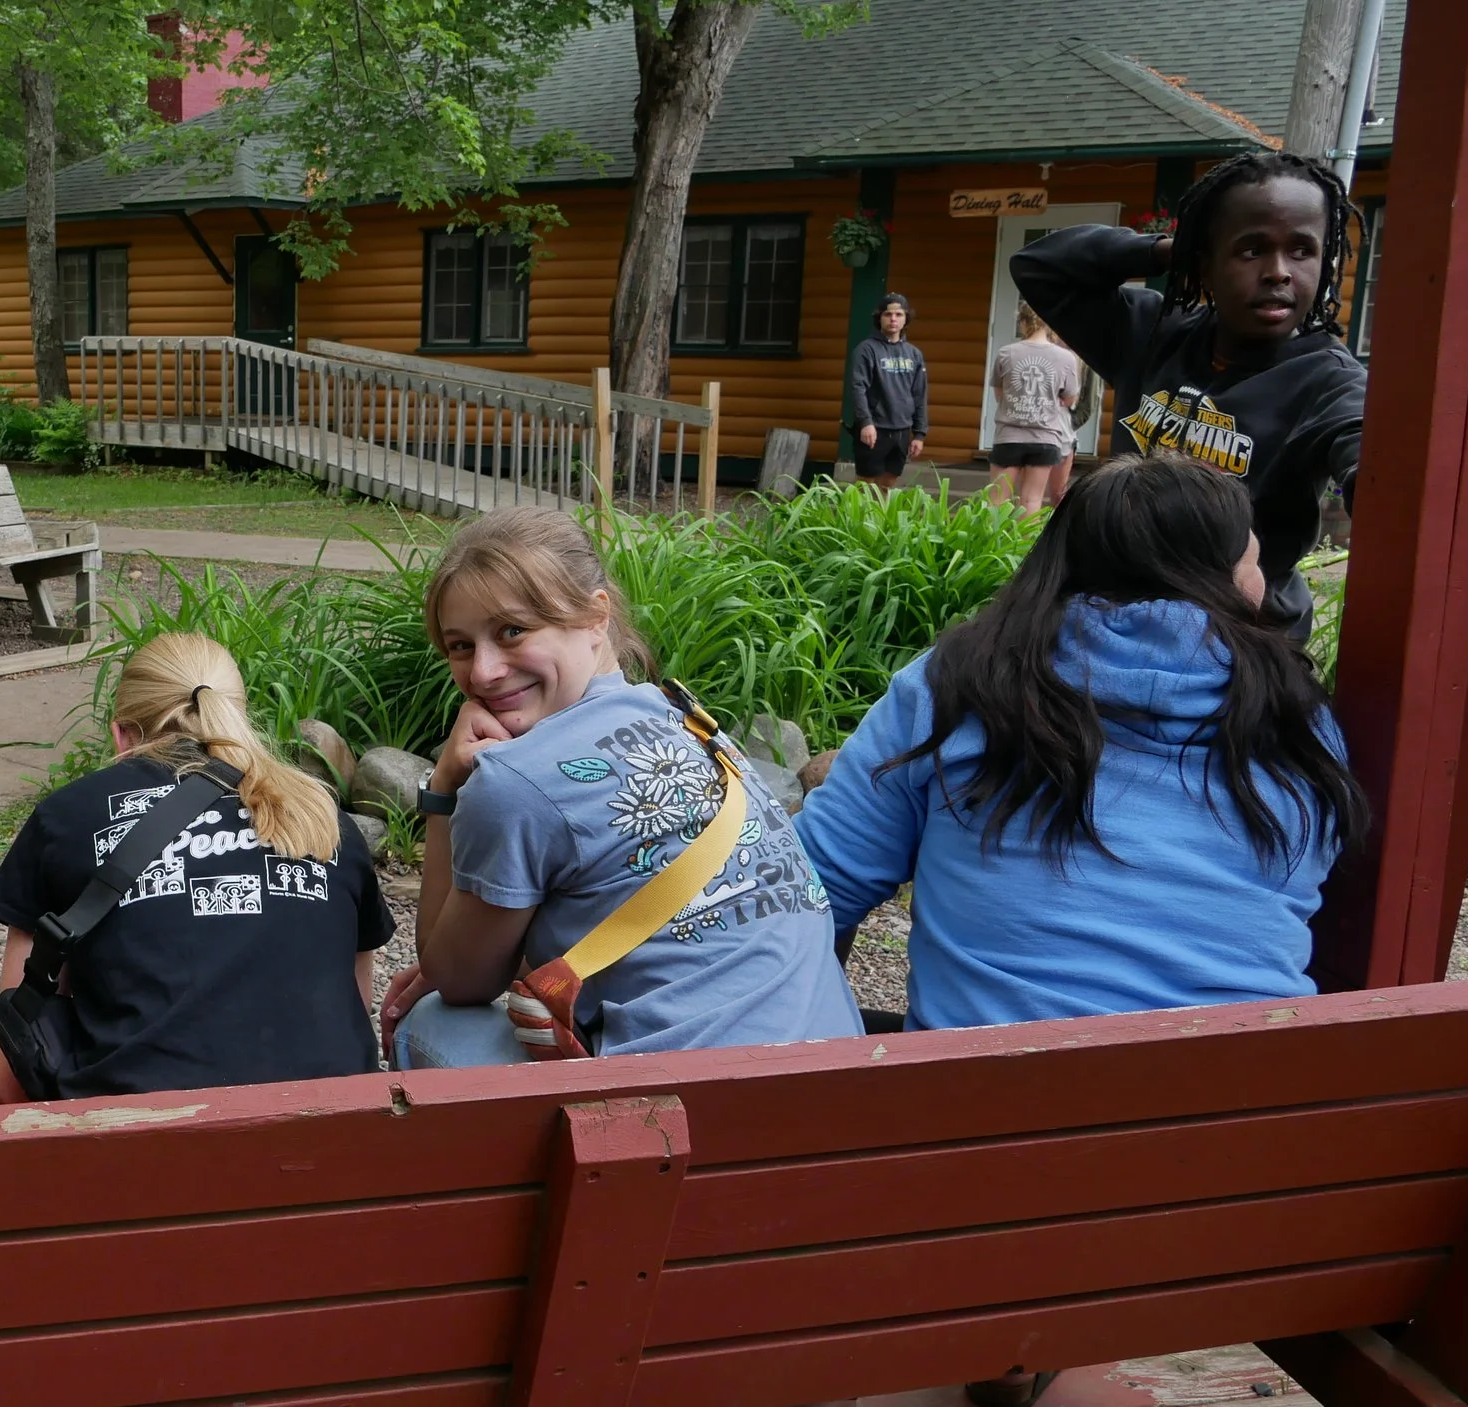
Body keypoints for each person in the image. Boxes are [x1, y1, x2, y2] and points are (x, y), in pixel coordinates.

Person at [794, 453, 1367, 1034]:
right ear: (1220, 580)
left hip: (980, 1101)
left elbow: (806, 890)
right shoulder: (1296, 717)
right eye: (1253, 561)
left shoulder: (961, 684)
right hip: (1240, 1102)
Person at [380, 507, 862, 1069]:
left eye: (512, 631)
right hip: (840, 1086)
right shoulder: (691, 721)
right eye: (460, 646)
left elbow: (457, 981)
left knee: (434, 1019)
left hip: (690, 1124)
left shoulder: (513, 781)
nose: (483, 672)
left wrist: (442, 791)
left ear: (595, 616)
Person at [0, 633, 393, 1100]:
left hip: (137, 1151)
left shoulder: (67, 816)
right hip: (334, 1141)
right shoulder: (322, 819)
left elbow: (14, 1053)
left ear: (121, 735)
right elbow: (352, 1014)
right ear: (237, 716)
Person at [1012, 150, 1365, 641]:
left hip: (1241, 639)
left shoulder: (1330, 381)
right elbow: (1039, 265)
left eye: (1301, 251)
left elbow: (1365, 450)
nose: (1279, 271)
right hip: (1116, 616)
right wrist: (1164, 252)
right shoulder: (1150, 332)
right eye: (1251, 250)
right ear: (1204, 261)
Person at [987, 303, 1080, 516]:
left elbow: (999, 395)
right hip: (1046, 438)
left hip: (1009, 436)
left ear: (1021, 321)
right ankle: (1024, 548)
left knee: (996, 499)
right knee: (1031, 499)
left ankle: (993, 547)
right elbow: (1069, 399)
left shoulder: (1006, 353)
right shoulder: (1066, 358)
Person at [846, 291, 928, 490]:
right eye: (888, 314)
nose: (893, 319)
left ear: (906, 318)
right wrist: (866, 423)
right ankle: (856, 520)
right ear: (879, 317)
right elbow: (858, 388)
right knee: (865, 483)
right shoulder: (866, 350)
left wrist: (919, 433)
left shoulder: (914, 354)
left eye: (899, 314)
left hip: (902, 430)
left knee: (888, 484)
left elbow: (919, 394)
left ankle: (880, 521)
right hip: (874, 428)